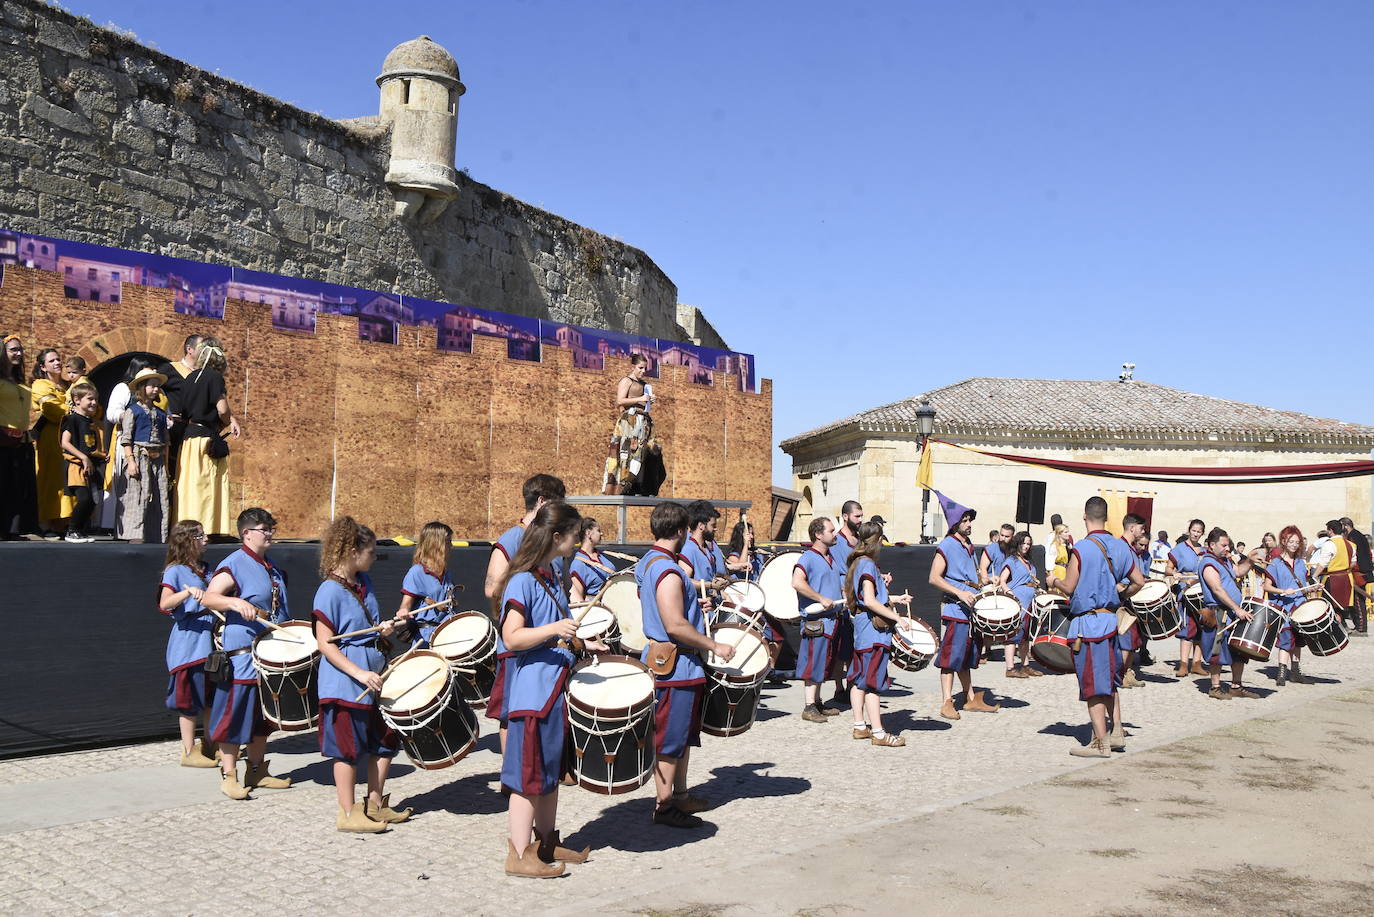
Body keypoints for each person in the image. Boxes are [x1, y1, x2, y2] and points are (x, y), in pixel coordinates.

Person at [496, 501, 593, 876]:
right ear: (556, 536)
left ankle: (547, 844)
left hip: (554, 691)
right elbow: (512, 637)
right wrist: (555, 631)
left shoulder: (551, 575)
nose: (577, 542)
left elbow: (557, 632)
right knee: (527, 779)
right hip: (532, 697)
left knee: (549, 774)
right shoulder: (521, 580)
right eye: (574, 536)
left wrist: (584, 644)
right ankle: (519, 855)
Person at [636, 501, 736, 828]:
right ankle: (664, 806)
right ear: (680, 530)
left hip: (681, 667)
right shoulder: (666, 569)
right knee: (669, 741)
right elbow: (675, 625)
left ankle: (679, 796)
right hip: (674, 666)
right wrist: (715, 645)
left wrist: (696, 602)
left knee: (681, 737)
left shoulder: (653, 561)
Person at [312, 516, 407, 833]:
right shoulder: (329, 590)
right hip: (345, 685)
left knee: (384, 741)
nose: (374, 557)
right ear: (353, 551)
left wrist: (383, 629)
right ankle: (347, 812)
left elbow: (361, 628)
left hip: (374, 677)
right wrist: (359, 673)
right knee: (347, 749)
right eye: (371, 551)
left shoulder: (364, 584)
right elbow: (325, 643)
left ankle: (375, 805)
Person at [201, 507, 292, 799]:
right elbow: (208, 597)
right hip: (243, 656)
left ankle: (257, 770)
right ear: (247, 533)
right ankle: (229, 775)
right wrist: (235, 603)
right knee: (235, 715)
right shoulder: (234, 564)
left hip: (270, 656)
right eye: (264, 529)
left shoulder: (272, 567)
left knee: (262, 719)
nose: (270, 533)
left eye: (271, 528)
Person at [484, 473, 567, 751]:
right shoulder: (512, 538)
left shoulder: (544, 542)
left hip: (543, 646)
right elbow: (492, 588)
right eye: (558, 503)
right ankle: (513, 776)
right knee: (511, 713)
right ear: (542, 502)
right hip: (518, 646)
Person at [1058, 497, 1145, 756]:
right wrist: (1119, 594)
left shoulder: (1082, 549)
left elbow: (1068, 587)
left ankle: (1100, 743)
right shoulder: (1119, 547)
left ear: (1085, 516)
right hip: (1111, 622)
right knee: (1108, 679)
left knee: (1092, 684)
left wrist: (1054, 580)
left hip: (1088, 626)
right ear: (1106, 517)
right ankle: (1116, 732)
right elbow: (1139, 581)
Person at [928, 508, 999, 719]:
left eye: (970, 520)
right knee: (950, 657)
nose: (969, 524)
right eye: (965, 521)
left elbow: (969, 576)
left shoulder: (967, 545)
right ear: (954, 523)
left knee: (966, 656)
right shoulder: (948, 544)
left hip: (970, 610)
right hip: (955, 610)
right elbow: (934, 577)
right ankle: (947, 701)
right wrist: (959, 593)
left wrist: (986, 581)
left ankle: (970, 698)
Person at [158, 519, 217, 767]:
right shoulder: (175, 570)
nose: (205, 540)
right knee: (189, 698)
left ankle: (211, 744)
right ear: (188, 541)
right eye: (200, 536)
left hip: (210, 639)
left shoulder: (207, 568)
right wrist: (187, 593)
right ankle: (188, 749)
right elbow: (165, 604)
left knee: (211, 696)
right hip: (189, 641)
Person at [845, 521, 909, 746]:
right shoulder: (868, 565)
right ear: (877, 540)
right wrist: (897, 617)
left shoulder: (857, 563)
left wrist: (895, 599)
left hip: (863, 630)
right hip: (874, 633)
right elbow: (871, 601)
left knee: (859, 678)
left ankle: (860, 726)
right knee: (873, 682)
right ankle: (879, 733)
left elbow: (866, 599)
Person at [174, 339, 241, 536]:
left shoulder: (189, 378)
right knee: (207, 484)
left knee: (189, 485)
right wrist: (230, 421)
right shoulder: (215, 378)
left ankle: (185, 529)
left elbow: (183, 412)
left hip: (188, 440)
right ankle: (209, 529)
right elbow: (222, 409)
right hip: (206, 439)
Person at [792, 516, 844, 722]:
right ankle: (809, 706)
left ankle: (817, 702)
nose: (835, 534)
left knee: (823, 662)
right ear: (818, 534)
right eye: (831, 531)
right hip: (817, 622)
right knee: (813, 663)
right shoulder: (808, 558)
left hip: (831, 621)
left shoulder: (830, 557)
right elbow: (797, 582)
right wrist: (820, 598)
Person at [1198, 527, 1258, 700]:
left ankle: (1236, 686)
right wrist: (1237, 608)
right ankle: (1215, 687)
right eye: (1223, 545)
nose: (1227, 548)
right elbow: (1217, 589)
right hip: (1217, 613)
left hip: (1231, 612)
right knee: (1216, 650)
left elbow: (1238, 572)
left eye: (1228, 545)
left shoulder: (1224, 561)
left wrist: (1250, 561)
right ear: (1211, 545)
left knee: (1238, 650)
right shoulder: (1208, 563)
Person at [113, 368, 170, 543]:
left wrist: (165, 467)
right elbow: (126, 438)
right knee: (138, 496)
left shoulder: (160, 414)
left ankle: (155, 534)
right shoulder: (133, 411)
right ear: (142, 387)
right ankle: (134, 534)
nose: (155, 389)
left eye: (157, 386)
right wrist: (130, 461)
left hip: (157, 460)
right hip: (139, 457)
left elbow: (166, 442)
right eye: (151, 386)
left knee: (159, 496)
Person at [101, 356, 157, 532]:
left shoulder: (155, 393)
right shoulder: (123, 388)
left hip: (147, 444)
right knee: (123, 481)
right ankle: (116, 524)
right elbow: (112, 412)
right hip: (126, 441)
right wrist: (132, 416)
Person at [1262, 526, 1318, 686]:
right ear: (1284, 541)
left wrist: (1312, 587)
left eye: (1297, 542)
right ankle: (1281, 673)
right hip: (1284, 607)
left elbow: (1303, 583)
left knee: (1299, 640)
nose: (1294, 544)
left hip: (1300, 607)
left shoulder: (1301, 562)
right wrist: (1282, 591)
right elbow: (1266, 586)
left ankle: (1295, 672)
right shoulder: (1275, 563)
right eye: (1291, 541)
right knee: (1285, 640)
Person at [602, 353, 658, 495]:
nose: (643, 371)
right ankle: (621, 485)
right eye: (640, 368)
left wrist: (649, 400)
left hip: (643, 421)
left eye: (645, 368)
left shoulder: (645, 385)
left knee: (641, 453)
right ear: (633, 367)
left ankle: (635, 485)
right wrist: (640, 398)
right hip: (629, 421)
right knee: (626, 452)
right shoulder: (626, 381)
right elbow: (619, 401)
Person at [0, 335, 37, 539]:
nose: (19, 353)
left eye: (20, 350)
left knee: (17, 487)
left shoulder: (19, 381)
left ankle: (11, 529)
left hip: (21, 441)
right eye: (13, 349)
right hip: (2, 440)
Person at [397, 521, 457, 647]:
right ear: (436, 544)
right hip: (426, 637)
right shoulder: (416, 572)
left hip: (447, 634)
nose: (451, 546)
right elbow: (406, 604)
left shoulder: (446, 574)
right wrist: (403, 612)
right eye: (447, 542)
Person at [59, 382, 106, 543]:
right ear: (77, 400)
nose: (94, 402)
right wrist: (83, 457)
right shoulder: (72, 419)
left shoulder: (91, 421)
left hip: (89, 467)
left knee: (93, 501)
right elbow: (65, 442)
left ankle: (80, 530)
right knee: (84, 498)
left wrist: (99, 456)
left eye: (96, 399)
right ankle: (71, 530)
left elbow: (90, 445)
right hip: (76, 466)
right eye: (90, 399)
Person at [30, 348, 68, 537]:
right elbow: (53, 412)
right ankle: (46, 523)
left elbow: (94, 407)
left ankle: (63, 523)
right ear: (43, 367)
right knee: (50, 481)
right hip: (50, 439)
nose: (57, 363)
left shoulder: (69, 385)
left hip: (71, 440)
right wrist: (74, 411)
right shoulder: (40, 385)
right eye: (52, 361)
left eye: (58, 359)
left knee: (68, 480)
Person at [157, 333, 204, 485]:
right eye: (202, 347)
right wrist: (166, 413)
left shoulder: (203, 375)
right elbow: (153, 390)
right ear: (189, 349)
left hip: (192, 430)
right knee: (170, 470)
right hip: (174, 429)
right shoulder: (170, 369)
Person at [1167, 519, 1208, 678]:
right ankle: (1183, 664)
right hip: (1186, 592)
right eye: (1194, 530)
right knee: (1187, 627)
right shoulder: (1179, 549)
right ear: (1189, 530)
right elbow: (1168, 568)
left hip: (1203, 592)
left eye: (1199, 531)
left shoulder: (1205, 551)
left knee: (1201, 628)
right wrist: (1174, 574)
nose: (1196, 534)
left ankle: (1197, 663)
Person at [998, 531, 1042, 678]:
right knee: (1012, 634)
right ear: (1017, 543)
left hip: (1030, 603)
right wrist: (1010, 593)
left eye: (1029, 544)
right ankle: (1010, 668)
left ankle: (1025, 665)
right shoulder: (1012, 561)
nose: (1026, 546)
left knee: (1025, 636)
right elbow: (1002, 580)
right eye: (1023, 543)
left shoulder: (1029, 564)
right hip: (1018, 602)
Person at [1114, 515, 1149, 689]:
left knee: (1134, 640)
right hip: (1122, 600)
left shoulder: (1130, 549)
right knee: (1125, 640)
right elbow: (1113, 574)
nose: (1143, 532)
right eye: (1141, 528)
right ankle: (1119, 675)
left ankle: (1127, 672)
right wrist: (1122, 589)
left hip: (1132, 599)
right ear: (1132, 528)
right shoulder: (1120, 547)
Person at [1311, 518, 1358, 635]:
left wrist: (1314, 575)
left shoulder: (1329, 544)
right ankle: (1342, 627)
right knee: (1341, 605)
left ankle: (1333, 629)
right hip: (1347, 577)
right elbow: (1353, 563)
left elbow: (1323, 563)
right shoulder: (1350, 544)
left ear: (1331, 530)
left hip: (1333, 579)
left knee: (1329, 604)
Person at [569, 516, 616, 604]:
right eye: (598, 530)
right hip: (597, 610)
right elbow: (577, 598)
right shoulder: (578, 564)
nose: (601, 533)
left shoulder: (601, 556)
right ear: (588, 533)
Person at [1339, 518, 1370, 636]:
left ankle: (1361, 629)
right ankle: (1358, 626)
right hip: (1358, 571)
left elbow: (1354, 555)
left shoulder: (1353, 537)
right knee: (1355, 600)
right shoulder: (1357, 535)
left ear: (1346, 526)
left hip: (1359, 572)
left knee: (1358, 600)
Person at [1046, 523, 1073, 591]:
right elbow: (1050, 562)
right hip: (1058, 571)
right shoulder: (1054, 546)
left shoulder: (1067, 546)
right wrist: (1052, 578)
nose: (1068, 534)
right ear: (1060, 533)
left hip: (1065, 571)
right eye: (1065, 532)